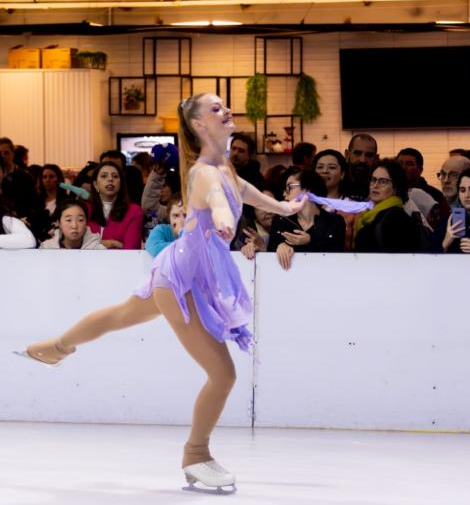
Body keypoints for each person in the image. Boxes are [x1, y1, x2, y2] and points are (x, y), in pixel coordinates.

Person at [18, 93, 305, 493]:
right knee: (222, 375)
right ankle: (196, 454)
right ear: (200, 126)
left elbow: (245, 193)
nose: (226, 111)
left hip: (184, 271)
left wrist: (285, 209)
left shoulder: (222, 166)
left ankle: (57, 347)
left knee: (121, 315)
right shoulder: (204, 172)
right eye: (216, 108)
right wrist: (222, 220)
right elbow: (220, 202)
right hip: (184, 279)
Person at [267, 168, 345, 270]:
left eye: (289, 187)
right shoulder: (280, 220)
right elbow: (269, 256)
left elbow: (337, 256)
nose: (284, 194)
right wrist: (279, 246)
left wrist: (311, 241)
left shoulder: (334, 221)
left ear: (307, 189)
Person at [353, 159, 426, 253]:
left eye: (383, 181)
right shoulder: (368, 215)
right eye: (373, 180)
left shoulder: (397, 218)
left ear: (395, 187)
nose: (375, 185)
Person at [87, 162, 144, 250]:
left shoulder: (134, 211)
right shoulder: (85, 209)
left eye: (115, 176)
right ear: (95, 184)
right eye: (104, 176)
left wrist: (106, 243)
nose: (110, 179)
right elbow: (77, 245)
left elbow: (131, 249)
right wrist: (116, 244)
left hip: (121, 262)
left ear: (121, 183)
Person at [312, 149, 357, 249]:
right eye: (320, 167)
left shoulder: (353, 208)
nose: (324, 171)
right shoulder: (305, 204)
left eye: (331, 167)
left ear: (342, 174)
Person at [39, 199, 107, 250]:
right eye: (68, 220)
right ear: (59, 223)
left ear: (86, 223)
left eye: (80, 220)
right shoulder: (47, 248)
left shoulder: (98, 249)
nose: (74, 226)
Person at [343, 133, 378, 200]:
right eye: (357, 153)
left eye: (369, 155)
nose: (363, 160)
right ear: (347, 154)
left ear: (376, 158)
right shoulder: (335, 182)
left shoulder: (381, 186)